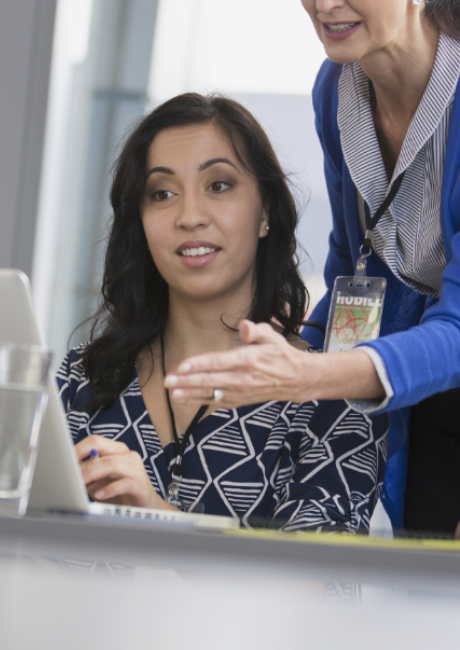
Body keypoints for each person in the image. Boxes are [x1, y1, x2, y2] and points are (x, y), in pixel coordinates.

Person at [162, 1, 460, 535]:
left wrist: (310, 374)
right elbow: (354, 266)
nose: (324, 5)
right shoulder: (337, 86)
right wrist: (296, 346)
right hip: (424, 387)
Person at [56, 93, 388, 532]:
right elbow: (16, 550)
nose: (190, 216)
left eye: (218, 185)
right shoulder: (83, 376)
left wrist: (155, 515)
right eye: (162, 193)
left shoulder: (335, 397)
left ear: (266, 209)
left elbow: (312, 582)